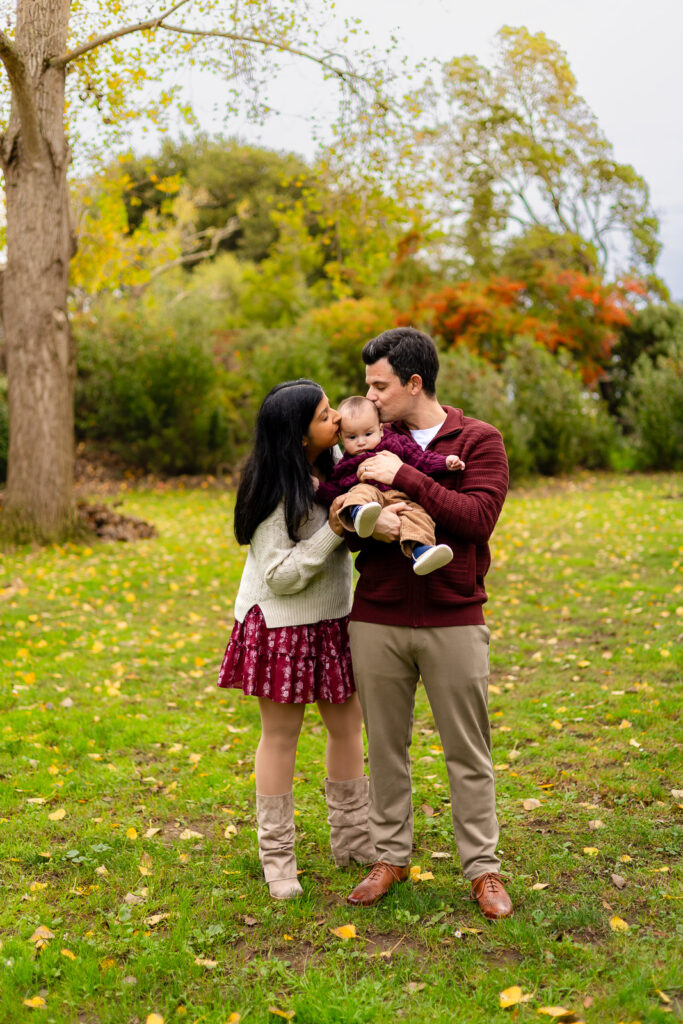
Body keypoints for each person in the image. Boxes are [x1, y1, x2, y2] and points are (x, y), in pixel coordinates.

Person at [331, 327, 513, 920]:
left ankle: (483, 869)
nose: (370, 397)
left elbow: (477, 519)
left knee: (468, 750)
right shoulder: (366, 438)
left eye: (379, 386)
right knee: (384, 746)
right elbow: (337, 505)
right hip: (377, 615)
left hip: (455, 618)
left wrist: (404, 477)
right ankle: (391, 856)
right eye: (367, 387)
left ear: (414, 383)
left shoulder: (479, 440)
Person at [218, 380, 375, 900]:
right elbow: (281, 575)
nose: (337, 419)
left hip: (332, 620)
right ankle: (278, 857)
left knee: (347, 726)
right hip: (281, 623)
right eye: (325, 414)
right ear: (298, 433)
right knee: (282, 736)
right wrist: (333, 531)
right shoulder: (276, 490)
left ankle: (353, 840)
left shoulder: (335, 468)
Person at [316, 395, 465, 575]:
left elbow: (420, 459)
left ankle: (421, 551)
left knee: (418, 514)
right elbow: (335, 491)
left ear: (380, 430)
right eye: (352, 437)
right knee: (360, 490)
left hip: (400, 498)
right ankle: (359, 513)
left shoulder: (395, 443)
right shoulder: (346, 464)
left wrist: (445, 463)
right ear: (342, 438)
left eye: (368, 434)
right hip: (370, 498)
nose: (361, 441)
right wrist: (317, 488)